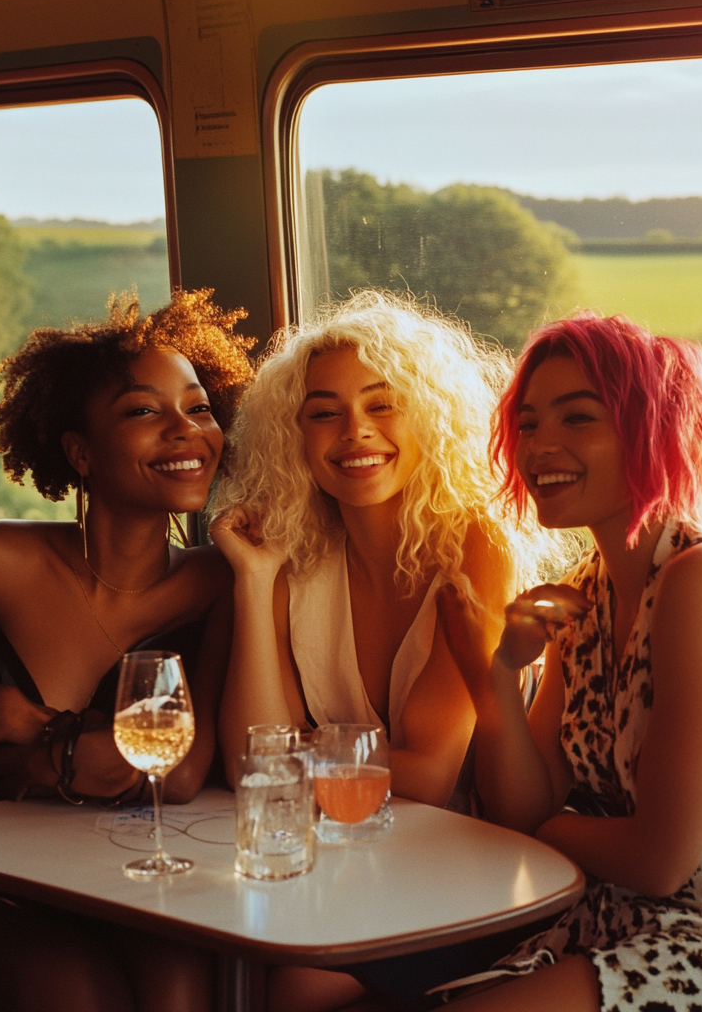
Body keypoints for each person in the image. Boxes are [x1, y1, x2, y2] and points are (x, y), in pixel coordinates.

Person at [421, 312, 702, 1011]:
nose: (540, 444)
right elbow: (523, 801)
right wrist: (498, 672)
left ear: (650, 431)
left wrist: (544, 831)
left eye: (578, 419)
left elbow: (660, 858)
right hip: (629, 923)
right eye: (528, 423)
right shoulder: (584, 595)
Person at [0, 288, 254, 1012]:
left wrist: (40, 735)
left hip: (115, 878)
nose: (187, 431)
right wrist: (52, 772)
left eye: (199, 408)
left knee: (183, 979)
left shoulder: (221, 582)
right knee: (69, 985)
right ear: (79, 451)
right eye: (145, 411)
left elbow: (175, 777)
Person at [211, 292, 563, 1012]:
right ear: (294, 433)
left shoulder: (478, 548)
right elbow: (251, 763)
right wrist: (254, 581)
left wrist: (295, 751)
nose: (355, 432)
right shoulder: (291, 550)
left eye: (382, 404)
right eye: (323, 412)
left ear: (429, 416)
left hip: (472, 875)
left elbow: (429, 778)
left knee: (292, 987)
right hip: (350, 869)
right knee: (205, 960)